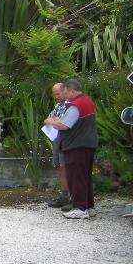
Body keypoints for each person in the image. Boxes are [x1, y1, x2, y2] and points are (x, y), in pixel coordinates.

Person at [44, 79, 99, 219]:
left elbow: (64, 125)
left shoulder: (76, 105)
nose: (65, 96)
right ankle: (89, 206)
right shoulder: (88, 101)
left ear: (72, 90)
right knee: (85, 176)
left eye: (66, 92)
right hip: (88, 144)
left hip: (77, 145)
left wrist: (51, 121)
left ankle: (80, 207)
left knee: (76, 177)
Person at [45, 83, 70, 209]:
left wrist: (54, 120)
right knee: (60, 167)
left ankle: (70, 197)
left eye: (57, 94)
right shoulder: (58, 105)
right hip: (57, 139)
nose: (55, 97)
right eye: (54, 94)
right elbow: (47, 120)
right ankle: (64, 195)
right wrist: (54, 120)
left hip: (67, 140)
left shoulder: (70, 105)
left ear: (65, 91)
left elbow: (64, 123)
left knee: (66, 167)